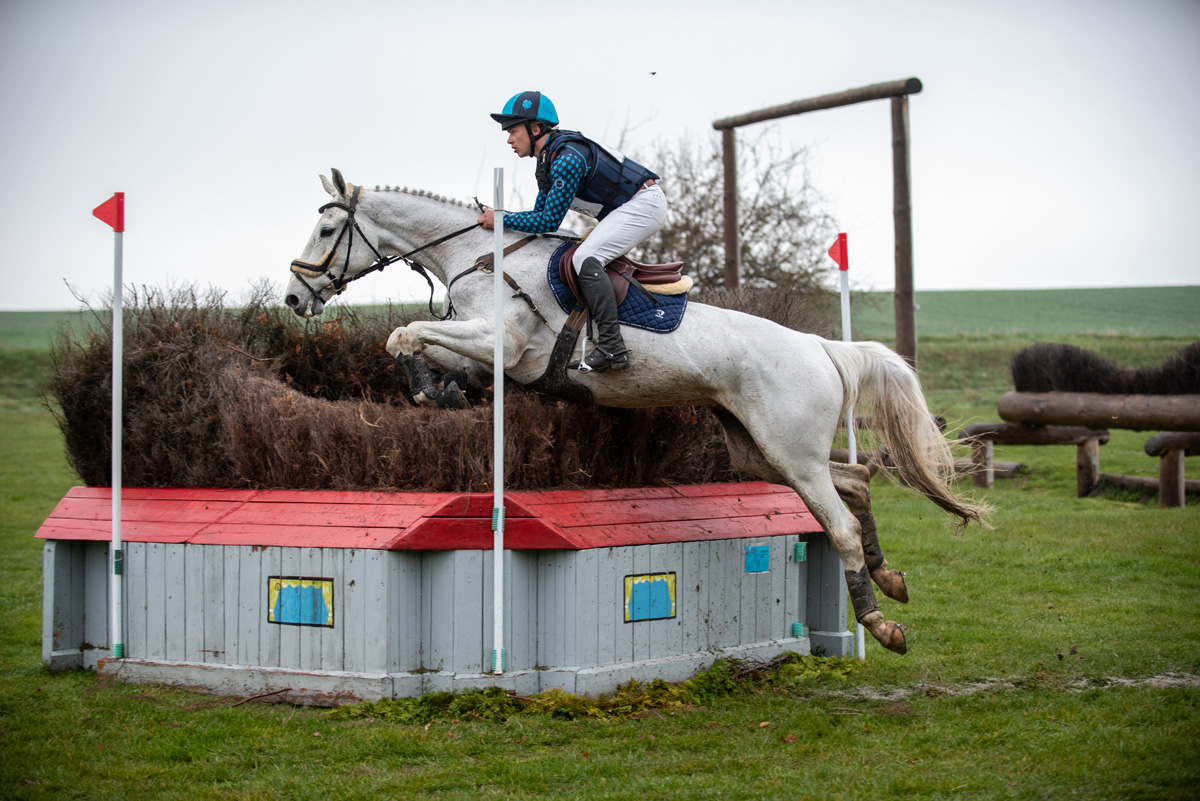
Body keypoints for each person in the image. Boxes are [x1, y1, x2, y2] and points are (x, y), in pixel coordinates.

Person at [478, 91, 668, 372]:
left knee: (585, 258)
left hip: (644, 205)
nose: (508, 139)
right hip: (626, 208)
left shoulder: (566, 159)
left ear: (535, 129)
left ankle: (613, 347)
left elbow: (547, 222)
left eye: (513, 131)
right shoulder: (547, 161)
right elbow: (538, 219)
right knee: (577, 253)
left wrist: (502, 219)